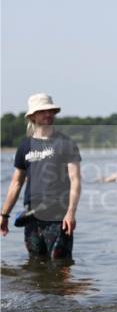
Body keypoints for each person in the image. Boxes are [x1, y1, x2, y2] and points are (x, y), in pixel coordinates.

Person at [0, 93, 81, 262]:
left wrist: (71, 213)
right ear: (32, 116)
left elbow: (76, 181)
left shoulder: (66, 143)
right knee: (36, 263)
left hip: (58, 214)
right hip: (32, 215)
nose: (48, 115)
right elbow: (16, 183)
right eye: (43, 111)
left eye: (50, 111)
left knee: (61, 264)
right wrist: (4, 215)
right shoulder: (25, 146)